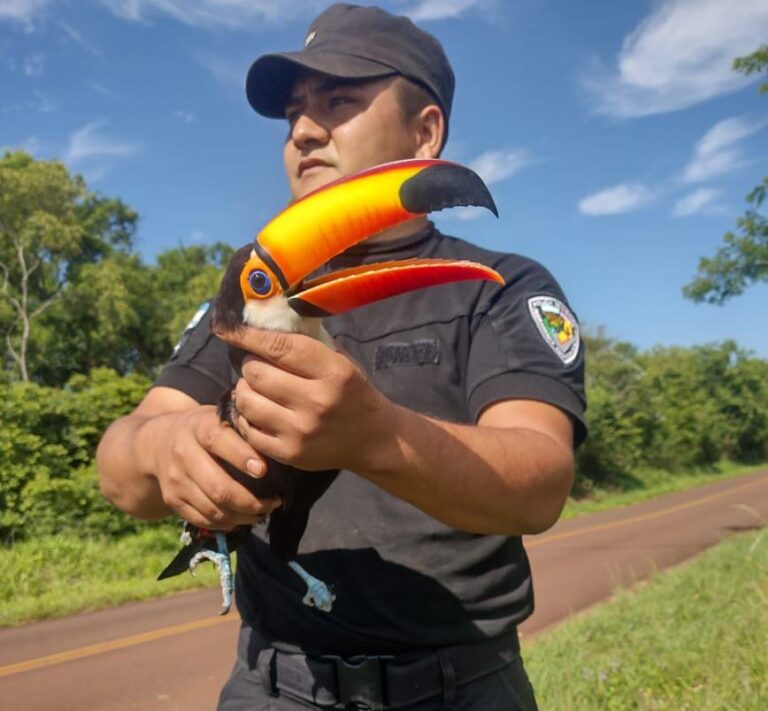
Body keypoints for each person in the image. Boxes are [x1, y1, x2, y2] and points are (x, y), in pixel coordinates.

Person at [96, 4, 586, 709]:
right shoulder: (251, 291)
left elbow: (541, 481)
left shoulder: (499, 288)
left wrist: (374, 435)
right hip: (278, 683)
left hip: (463, 684)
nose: (303, 129)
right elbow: (121, 462)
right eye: (295, 111)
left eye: (340, 100)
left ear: (425, 132)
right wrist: (166, 448)